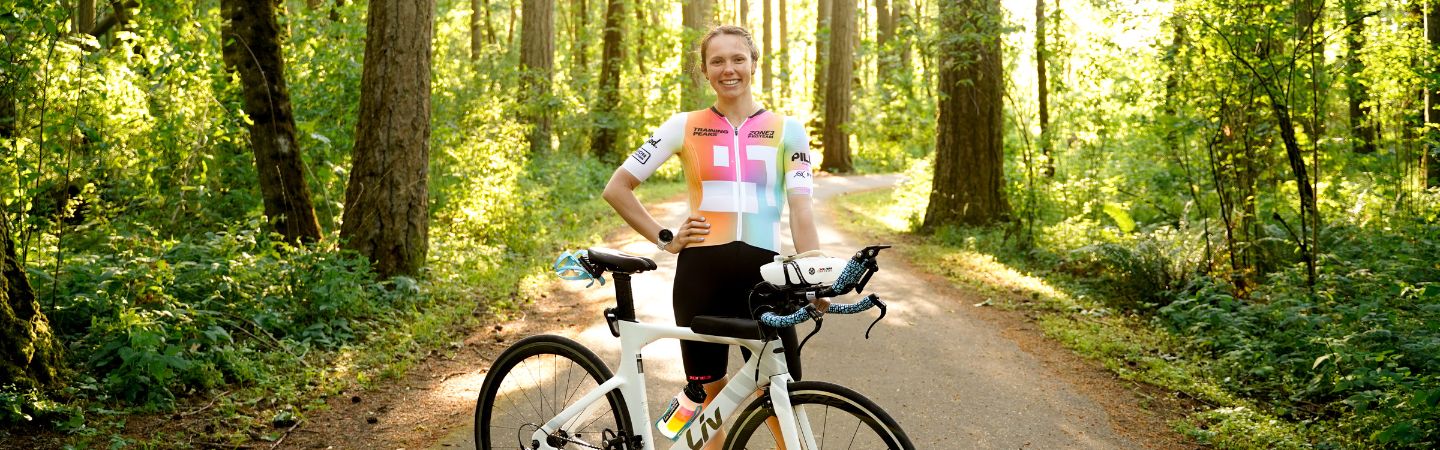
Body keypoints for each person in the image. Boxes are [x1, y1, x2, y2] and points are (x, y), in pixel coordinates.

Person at [601, 24, 821, 426]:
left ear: (755, 63)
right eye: (717, 61)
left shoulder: (788, 130)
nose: (729, 69)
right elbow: (618, 187)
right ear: (705, 70)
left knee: (779, 392)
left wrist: (815, 273)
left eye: (738, 58)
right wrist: (665, 238)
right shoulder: (682, 125)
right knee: (708, 405)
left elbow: (801, 210)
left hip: (765, 280)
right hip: (700, 280)